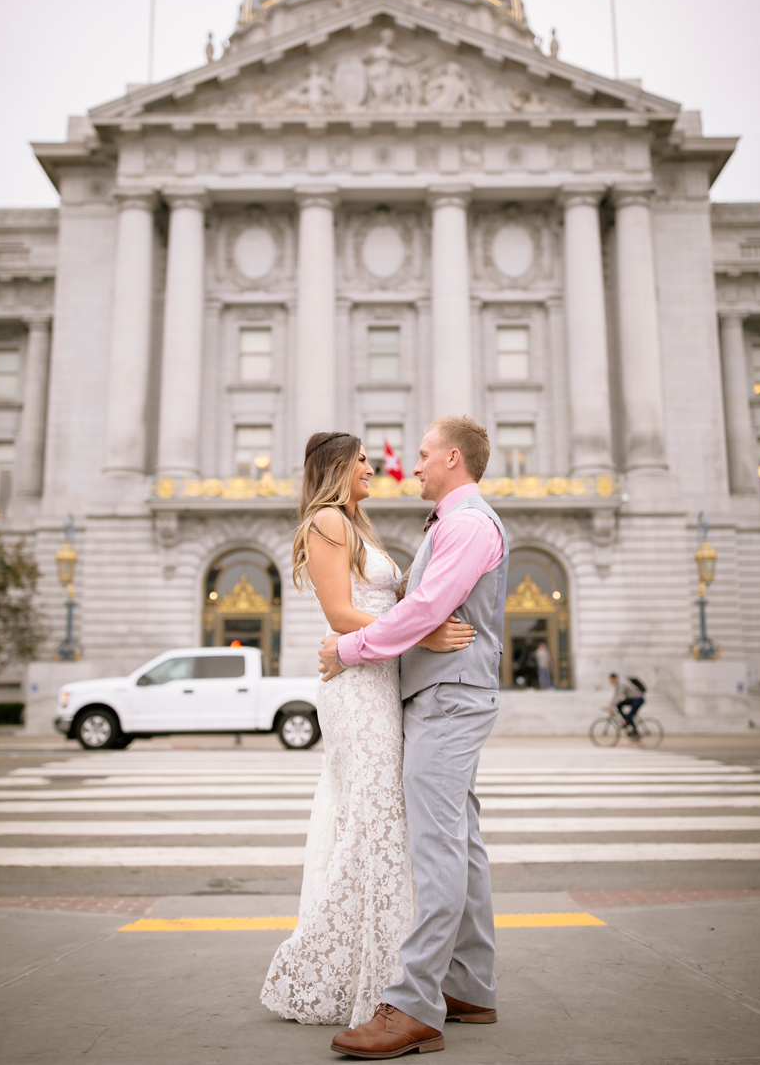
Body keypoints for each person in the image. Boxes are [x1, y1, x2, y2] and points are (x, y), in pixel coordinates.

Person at [260, 432, 473, 1028]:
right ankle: (347, 969)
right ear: (336, 467)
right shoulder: (327, 521)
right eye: (360, 460)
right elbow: (340, 613)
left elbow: (384, 600)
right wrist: (423, 632)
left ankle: (385, 966)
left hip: (379, 677)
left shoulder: (359, 526)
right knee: (374, 815)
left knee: (377, 816)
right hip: (356, 687)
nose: (371, 467)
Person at [319, 415, 509, 1059]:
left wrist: (350, 646)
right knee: (462, 841)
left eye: (423, 455)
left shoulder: (465, 524)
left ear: (452, 458)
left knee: (436, 851)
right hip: (448, 695)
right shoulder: (455, 523)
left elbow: (427, 609)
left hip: (448, 699)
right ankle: (470, 985)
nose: (412, 466)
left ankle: (414, 1004)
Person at [608, 672, 645, 738]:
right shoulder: (618, 684)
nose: (610, 681)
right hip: (632, 699)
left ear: (613, 678)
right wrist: (611, 704)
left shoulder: (622, 683)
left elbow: (619, 695)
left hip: (638, 699)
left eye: (610, 679)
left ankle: (636, 732)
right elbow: (616, 695)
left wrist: (612, 706)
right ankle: (627, 720)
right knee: (619, 705)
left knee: (629, 716)